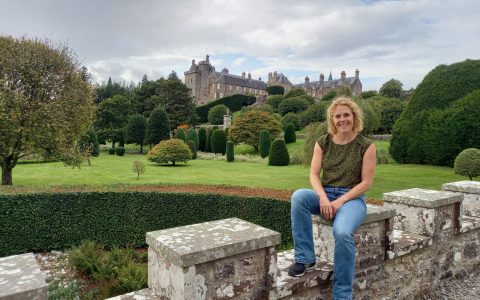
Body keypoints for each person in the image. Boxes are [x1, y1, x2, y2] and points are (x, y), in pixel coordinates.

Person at [288, 96, 376, 299]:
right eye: (338, 116)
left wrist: (339, 202)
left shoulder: (366, 145)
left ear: (354, 117)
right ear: (332, 119)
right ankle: (305, 258)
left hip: (352, 199)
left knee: (343, 232)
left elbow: (366, 183)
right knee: (299, 197)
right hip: (326, 193)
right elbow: (313, 174)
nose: (342, 119)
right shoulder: (323, 142)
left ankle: (342, 293)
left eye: (346, 115)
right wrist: (324, 198)